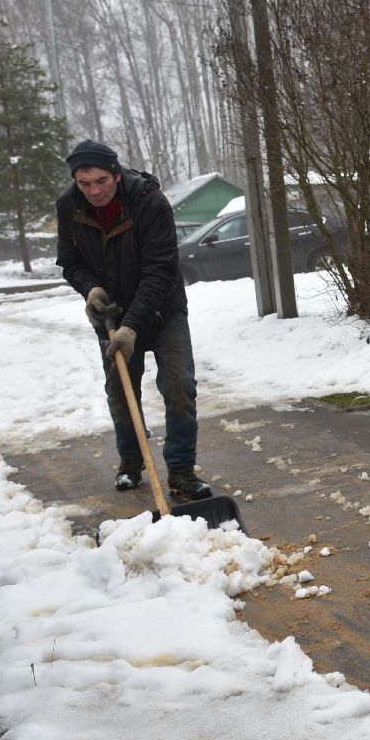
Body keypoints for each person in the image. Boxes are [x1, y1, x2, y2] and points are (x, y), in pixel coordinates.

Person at [56, 139, 210, 501]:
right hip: (111, 314)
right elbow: (70, 261)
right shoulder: (69, 206)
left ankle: (182, 473)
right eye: (84, 183)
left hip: (163, 309)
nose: (93, 191)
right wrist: (91, 289)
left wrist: (133, 326)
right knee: (121, 393)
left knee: (179, 387)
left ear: (116, 174)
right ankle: (131, 462)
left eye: (100, 182)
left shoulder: (148, 201)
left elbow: (161, 269)